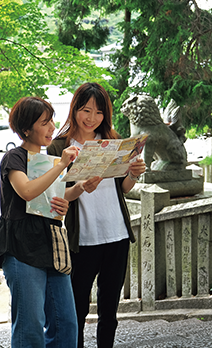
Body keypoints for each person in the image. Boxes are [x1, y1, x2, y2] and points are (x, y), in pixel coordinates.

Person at [47, 82, 146, 348]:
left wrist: (134, 174)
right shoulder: (59, 148)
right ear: (75, 109)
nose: (92, 118)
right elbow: (54, 196)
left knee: (109, 312)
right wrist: (79, 187)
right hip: (83, 239)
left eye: (99, 112)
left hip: (117, 234)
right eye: (86, 110)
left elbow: (121, 189)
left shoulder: (113, 142)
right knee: (76, 310)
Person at [0, 96, 85, 348]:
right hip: (21, 247)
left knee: (66, 324)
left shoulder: (49, 162)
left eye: (52, 120)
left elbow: (55, 199)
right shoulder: (14, 158)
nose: (52, 127)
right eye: (45, 122)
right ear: (26, 130)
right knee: (30, 327)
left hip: (51, 245)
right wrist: (63, 165)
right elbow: (28, 192)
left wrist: (81, 188)